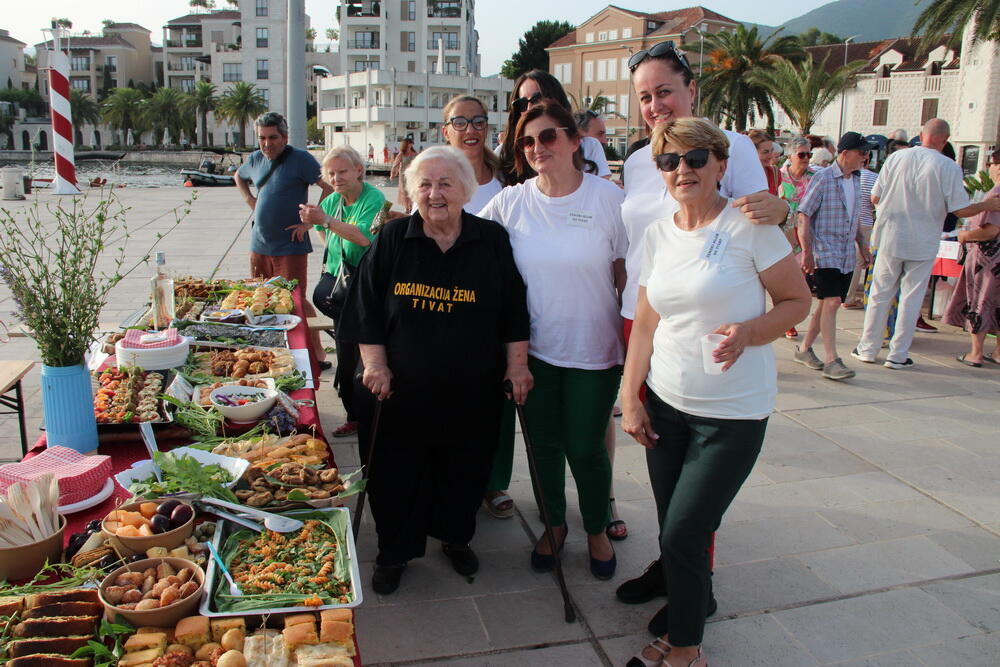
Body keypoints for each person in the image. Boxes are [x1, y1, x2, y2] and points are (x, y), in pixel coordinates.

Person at [616, 38, 790, 638]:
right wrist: (631, 395)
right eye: (645, 96)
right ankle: (676, 577)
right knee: (672, 519)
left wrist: (750, 331)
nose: (680, 167)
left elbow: (788, 287)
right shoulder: (648, 184)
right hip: (666, 383)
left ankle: (689, 621)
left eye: (664, 91)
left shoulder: (740, 181)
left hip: (729, 403)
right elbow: (645, 316)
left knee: (688, 525)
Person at [339, 146, 531, 595]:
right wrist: (375, 364)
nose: (435, 193)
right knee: (393, 471)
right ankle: (394, 550)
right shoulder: (392, 238)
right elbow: (365, 308)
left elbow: (513, 310)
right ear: (411, 192)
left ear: (465, 190)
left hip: (472, 389)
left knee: (464, 468)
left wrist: (517, 365)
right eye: (424, 184)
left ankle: (455, 536)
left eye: (445, 183)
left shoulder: (491, 240)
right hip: (399, 391)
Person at [479, 103, 626, 580]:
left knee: (585, 446)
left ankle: (598, 530)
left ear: (574, 140)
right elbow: (462, 239)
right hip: (533, 353)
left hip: (595, 351)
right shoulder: (511, 201)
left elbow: (627, 275)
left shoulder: (608, 199)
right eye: (527, 141)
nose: (537, 148)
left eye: (548, 137)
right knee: (541, 446)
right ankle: (556, 525)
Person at [852, 119, 1000, 369]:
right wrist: (987, 205)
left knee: (880, 293)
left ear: (922, 135)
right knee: (912, 297)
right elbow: (960, 209)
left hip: (890, 235)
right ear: (944, 141)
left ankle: (868, 348)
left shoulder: (897, 158)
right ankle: (898, 355)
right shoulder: (948, 166)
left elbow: (875, 196)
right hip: (923, 240)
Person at [298, 146, 385, 438]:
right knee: (347, 357)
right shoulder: (334, 200)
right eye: (331, 173)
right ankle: (354, 415)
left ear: (358, 170)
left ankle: (363, 416)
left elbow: (363, 237)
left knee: (354, 358)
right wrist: (323, 224)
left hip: (362, 291)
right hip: (338, 292)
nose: (336, 178)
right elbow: (328, 235)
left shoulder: (373, 198)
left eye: (343, 171)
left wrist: (325, 221)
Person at [234, 111, 334, 365]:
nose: (267, 144)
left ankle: (317, 354)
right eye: (262, 138)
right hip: (259, 244)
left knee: (295, 300)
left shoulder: (300, 159)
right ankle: (274, 352)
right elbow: (239, 176)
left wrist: (309, 221)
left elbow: (328, 188)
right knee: (260, 300)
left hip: (290, 246)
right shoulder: (256, 159)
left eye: (273, 137)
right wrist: (250, 200)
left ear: (285, 137)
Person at [793, 132, 875, 381]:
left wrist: (863, 245)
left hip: (845, 254)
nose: (865, 157)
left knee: (827, 303)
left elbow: (855, 218)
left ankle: (805, 348)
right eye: (862, 153)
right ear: (845, 153)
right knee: (832, 302)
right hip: (825, 251)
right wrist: (807, 252)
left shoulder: (857, 180)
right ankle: (832, 359)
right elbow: (804, 214)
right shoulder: (824, 178)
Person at [497, 69, 610, 184]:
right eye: (522, 103)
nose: (530, 108)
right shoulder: (504, 153)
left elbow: (602, 193)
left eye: (537, 99)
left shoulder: (589, 146)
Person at [944, 150, 1000, 366]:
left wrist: (965, 235)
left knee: (980, 303)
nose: (989, 167)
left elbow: (990, 231)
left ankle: (976, 353)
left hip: (987, 260)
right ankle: (997, 352)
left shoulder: (996, 193)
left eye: (991, 163)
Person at [778, 137, 816, 338]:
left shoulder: (814, 177)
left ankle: (788, 321)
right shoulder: (779, 176)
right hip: (781, 233)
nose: (806, 158)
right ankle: (782, 318)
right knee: (780, 280)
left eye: (809, 154)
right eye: (802, 154)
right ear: (790, 156)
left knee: (797, 280)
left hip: (802, 235)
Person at [441, 95, 504, 213]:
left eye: (478, 122)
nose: (470, 130)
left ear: (486, 128)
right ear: (446, 133)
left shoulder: (506, 180)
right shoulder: (433, 185)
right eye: (459, 123)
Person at [843, 165, 878, 309]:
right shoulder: (873, 177)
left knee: (849, 260)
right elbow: (875, 200)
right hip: (865, 223)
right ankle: (849, 297)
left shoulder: (847, 175)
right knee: (859, 261)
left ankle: (845, 294)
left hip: (848, 222)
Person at [748, 129, 780, 196]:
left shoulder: (775, 173)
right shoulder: (741, 175)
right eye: (765, 152)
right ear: (752, 152)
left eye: (771, 151)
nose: (770, 156)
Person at [389, 137, 418, 210]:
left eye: (411, 143)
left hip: (412, 175)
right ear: (406, 144)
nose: (410, 145)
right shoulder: (401, 154)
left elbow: (419, 163)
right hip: (403, 175)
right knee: (404, 192)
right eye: (409, 143)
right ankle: (407, 207)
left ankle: (411, 207)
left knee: (411, 191)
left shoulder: (415, 153)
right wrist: (392, 174)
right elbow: (395, 164)